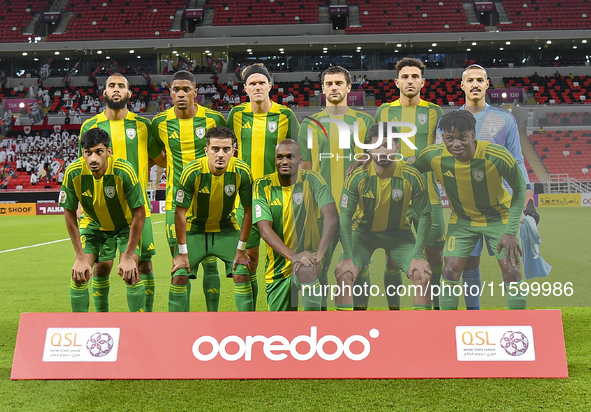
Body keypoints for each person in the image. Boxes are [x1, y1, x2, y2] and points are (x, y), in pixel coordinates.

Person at [414, 110, 527, 310]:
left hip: (497, 218)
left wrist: (510, 231)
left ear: (473, 135)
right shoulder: (433, 156)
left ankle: (519, 330)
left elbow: (519, 190)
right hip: (462, 221)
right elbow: (405, 166)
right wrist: (371, 159)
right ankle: (449, 330)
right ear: (443, 138)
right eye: (450, 138)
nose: (456, 144)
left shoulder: (497, 156)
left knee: (513, 272)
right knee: (449, 271)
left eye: (462, 138)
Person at [79, 73, 163, 312]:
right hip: (100, 207)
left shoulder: (143, 126)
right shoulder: (90, 126)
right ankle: (102, 320)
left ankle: (146, 319)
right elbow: (83, 164)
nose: (116, 89)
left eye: (121, 86)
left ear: (129, 93)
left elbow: (161, 160)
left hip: (136, 207)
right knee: (101, 266)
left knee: (143, 265)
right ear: (104, 93)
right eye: (111, 86)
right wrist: (78, 204)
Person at [456, 64, 534, 310]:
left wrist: (528, 199)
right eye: (470, 80)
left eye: (480, 80)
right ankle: (473, 316)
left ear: (488, 84)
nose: (475, 84)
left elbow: (517, 159)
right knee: (469, 264)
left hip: (500, 207)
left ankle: (518, 326)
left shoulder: (504, 119)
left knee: (510, 266)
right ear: (462, 85)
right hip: (466, 208)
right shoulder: (452, 121)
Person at [298, 66, 374, 309]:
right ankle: (322, 320)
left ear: (348, 87)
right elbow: (305, 169)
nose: (333, 88)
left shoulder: (364, 121)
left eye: (338, 83)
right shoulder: (309, 123)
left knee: (359, 267)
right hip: (322, 210)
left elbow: (376, 162)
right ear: (322, 89)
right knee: (319, 264)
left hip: (357, 208)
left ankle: (360, 317)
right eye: (328, 83)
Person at [373, 57, 445, 310]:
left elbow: (442, 151)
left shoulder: (435, 111)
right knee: (393, 258)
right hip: (394, 194)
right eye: (405, 77)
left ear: (423, 82)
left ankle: (436, 309)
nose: (410, 81)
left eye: (415, 77)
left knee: (435, 254)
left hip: (428, 193)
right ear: (397, 82)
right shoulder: (384, 111)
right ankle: (395, 311)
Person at [335, 123, 432, 310]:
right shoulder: (357, 175)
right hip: (363, 234)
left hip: (399, 235)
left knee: (423, 275)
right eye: (376, 145)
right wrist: (347, 256)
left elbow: (425, 215)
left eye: (387, 145)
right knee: (344, 274)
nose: (382, 151)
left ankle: (421, 334)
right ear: (369, 150)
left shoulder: (411, 175)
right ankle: (345, 333)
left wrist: (418, 256)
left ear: (397, 147)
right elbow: (346, 216)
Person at [152, 70, 226, 312]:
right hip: (176, 201)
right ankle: (180, 325)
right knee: (180, 264)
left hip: (209, 201)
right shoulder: (160, 123)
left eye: (186, 89)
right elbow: (156, 156)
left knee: (211, 263)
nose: (181, 93)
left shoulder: (214, 119)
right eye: (176, 89)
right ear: (170, 93)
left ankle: (211, 318)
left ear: (196, 92)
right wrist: (175, 167)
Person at [227, 63, 300, 310]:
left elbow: (300, 154)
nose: (257, 87)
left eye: (261, 83)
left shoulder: (285, 115)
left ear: (270, 85)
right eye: (252, 83)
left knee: (281, 262)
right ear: (245, 88)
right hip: (244, 200)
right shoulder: (236, 114)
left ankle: (282, 315)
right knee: (247, 263)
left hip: (276, 199)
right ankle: (251, 322)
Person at [59, 128, 146, 313]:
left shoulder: (124, 170)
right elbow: (69, 213)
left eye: (98, 152)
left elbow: (139, 212)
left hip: (125, 227)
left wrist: (129, 256)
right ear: (82, 152)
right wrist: (80, 257)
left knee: (132, 274)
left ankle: (140, 330)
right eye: (87, 153)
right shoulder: (73, 172)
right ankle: (86, 327)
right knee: (79, 275)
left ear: (108, 151)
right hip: (93, 226)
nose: (93, 159)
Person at [170, 127, 254, 311]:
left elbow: (248, 211)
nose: (221, 154)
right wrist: (183, 253)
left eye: (226, 149)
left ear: (234, 150)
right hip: (195, 229)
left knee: (241, 272)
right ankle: (173, 330)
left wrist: (241, 249)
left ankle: (248, 329)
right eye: (215, 149)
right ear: (206, 150)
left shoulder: (242, 171)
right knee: (179, 275)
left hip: (226, 228)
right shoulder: (191, 171)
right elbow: (180, 212)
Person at [253, 139, 338, 311]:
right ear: (275, 159)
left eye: (290, 157)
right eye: (280, 157)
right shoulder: (262, 185)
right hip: (278, 268)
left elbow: (331, 216)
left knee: (308, 270)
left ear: (300, 160)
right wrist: (294, 256)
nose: (284, 161)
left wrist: (319, 254)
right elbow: (264, 230)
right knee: (280, 331)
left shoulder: (312, 180)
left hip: (310, 259)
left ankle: (313, 331)